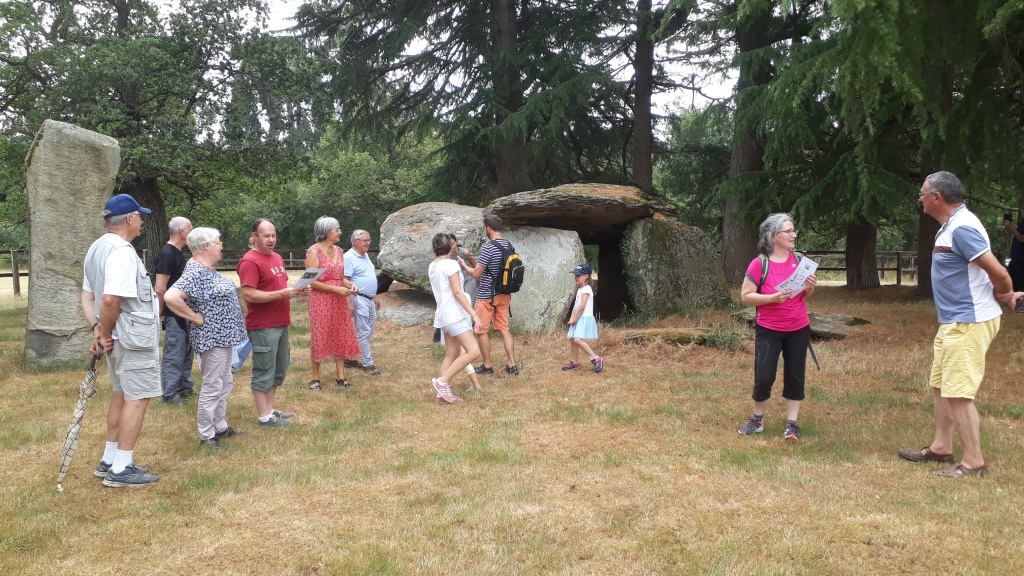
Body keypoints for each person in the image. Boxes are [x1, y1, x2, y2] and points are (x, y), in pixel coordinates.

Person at [898, 171, 1023, 478]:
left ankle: (974, 461)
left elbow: (998, 271)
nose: (921, 199)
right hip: (954, 321)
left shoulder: (963, 228)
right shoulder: (952, 226)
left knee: (959, 393)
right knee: (941, 385)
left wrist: (1005, 294)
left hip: (968, 322)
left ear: (936, 197)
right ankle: (941, 447)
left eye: (922, 194)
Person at [80, 193, 162, 487]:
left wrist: (98, 331)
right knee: (138, 396)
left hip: (116, 336)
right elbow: (110, 298)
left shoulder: (96, 249)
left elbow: (88, 296)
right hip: (132, 338)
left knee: (121, 393)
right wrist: (104, 332)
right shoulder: (123, 251)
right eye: (140, 216)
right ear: (130, 219)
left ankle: (109, 459)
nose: (141, 221)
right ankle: (121, 469)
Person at [163, 227, 249, 450]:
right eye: (219, 241)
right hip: (212, 338)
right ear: (207, 246)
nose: (222, 245)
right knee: (212, 385)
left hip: (224, 337)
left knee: (224, 382)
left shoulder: (206, 269)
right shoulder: (195, 271)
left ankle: (220, 427)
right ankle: (206, 436)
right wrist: (194, 317)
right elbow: (171, 296)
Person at [737, 212, 818, 441]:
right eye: (789, 231)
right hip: (769, 329)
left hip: (798, 328)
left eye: (794, 230)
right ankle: (757, 419)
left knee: (795, 376)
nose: (795, 234)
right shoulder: (759, 264)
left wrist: (810, 286)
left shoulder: (801, 262)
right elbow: (746, 296)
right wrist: (772, 298)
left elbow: (805, 295)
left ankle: (792, 424)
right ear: (774, 236)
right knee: (764, 376)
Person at [238, 218, 308, 427]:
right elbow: (249, 295)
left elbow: (278, 288)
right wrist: (281, 293)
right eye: (266, 236)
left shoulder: (277, 258)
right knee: (264, 370)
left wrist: (298, 290)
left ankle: (270, 410)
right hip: (263, 325)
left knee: (278, 369)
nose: (271, 240)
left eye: (273, 235)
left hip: (281, 322)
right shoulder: (250, 261)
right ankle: (264, 417)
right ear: (254, 237)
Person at [305, 216, 361, 390]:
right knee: (320, 336)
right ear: (326, 231)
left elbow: (340, 277)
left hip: (339, 300)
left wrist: (349, 285)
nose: (340, 232)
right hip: (320, 300)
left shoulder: (340, 250)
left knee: (341, 335)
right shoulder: (313, 251)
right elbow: (311, 282)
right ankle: (315, 378)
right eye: (336, 229)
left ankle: (341, 377)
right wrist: (337, 290)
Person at [458, 214, 518, 376]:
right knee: (504, 329)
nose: (485, 230)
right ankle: (511, 364)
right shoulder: (509, 245)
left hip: (486, 295)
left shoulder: (489, 247)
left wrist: (464, 265)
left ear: (489, 228)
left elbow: (477, 274)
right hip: (504, 294)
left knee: (482, 331)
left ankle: (487, 366)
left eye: (485, 228)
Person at [429, 232, 481, 403]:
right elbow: (457, 292)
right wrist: (473, 313)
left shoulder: (433, 265)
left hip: (443, 315)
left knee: (452, 353)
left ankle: (442, 395)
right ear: (449, 246)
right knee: (473, 351)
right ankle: (443, 383)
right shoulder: (451, 265)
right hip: (454, 315)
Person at [155, 216, 195, 404]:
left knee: (187, 352)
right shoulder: (167, 254)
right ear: (182, 231)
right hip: (173, 313)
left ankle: (185, 388)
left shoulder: (179, 253)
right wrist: (161, 312)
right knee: (174, 354)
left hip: (184, 312)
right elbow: (160, 287)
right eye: (190, 229)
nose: (192, 233)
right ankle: (170, 394)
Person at [344, 229, 382, 376]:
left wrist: (375, 296)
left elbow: (370, 276)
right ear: (355, 242)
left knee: (368, 331)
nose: (368, 243)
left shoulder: (365, 256)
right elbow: (344, 280)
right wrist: (349, 301)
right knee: (363, 332)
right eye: (365, 241)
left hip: (369, 298)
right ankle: (368, 363)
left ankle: (350, 357)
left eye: (369, 240)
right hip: (358, 298)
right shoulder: (348, 257)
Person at [561, 263, 604, 373]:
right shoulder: (580, 289)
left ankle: (595, 358)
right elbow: (576, 306)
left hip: (583, 317)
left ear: (586, 276)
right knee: (572, 339)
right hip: (578, 317)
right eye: (575, 275)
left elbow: (582, 306)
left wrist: (575, 318)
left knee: (577, 340)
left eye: (578, 276)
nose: (575, 278)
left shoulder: (587, 289)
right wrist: (572, 318)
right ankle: (574, 362)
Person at [1002, 214, 1024, 291]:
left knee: (1020, 286)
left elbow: (1022, 239)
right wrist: (1009, 228)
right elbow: (1012, 236)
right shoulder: (1021, 223)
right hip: (1015, 258)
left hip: (1022, 261)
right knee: (1012, 284)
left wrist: (1012, 227)